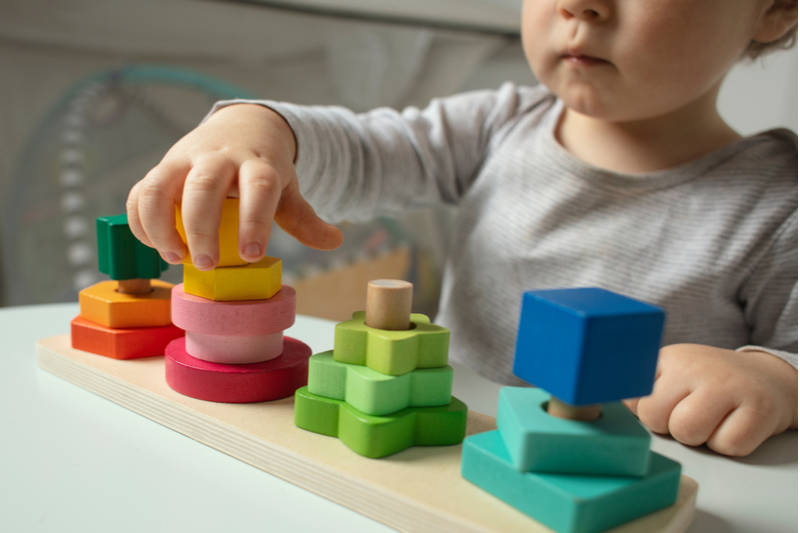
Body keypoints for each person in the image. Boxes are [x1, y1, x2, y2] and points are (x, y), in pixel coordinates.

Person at [126, 0, 798, 456]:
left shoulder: (778, 207)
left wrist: (774, 380)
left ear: (773, 9)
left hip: (613, 495)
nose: (580, 3)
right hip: (447, 457)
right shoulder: (498, 126)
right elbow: (363, 151)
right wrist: (262, 128)